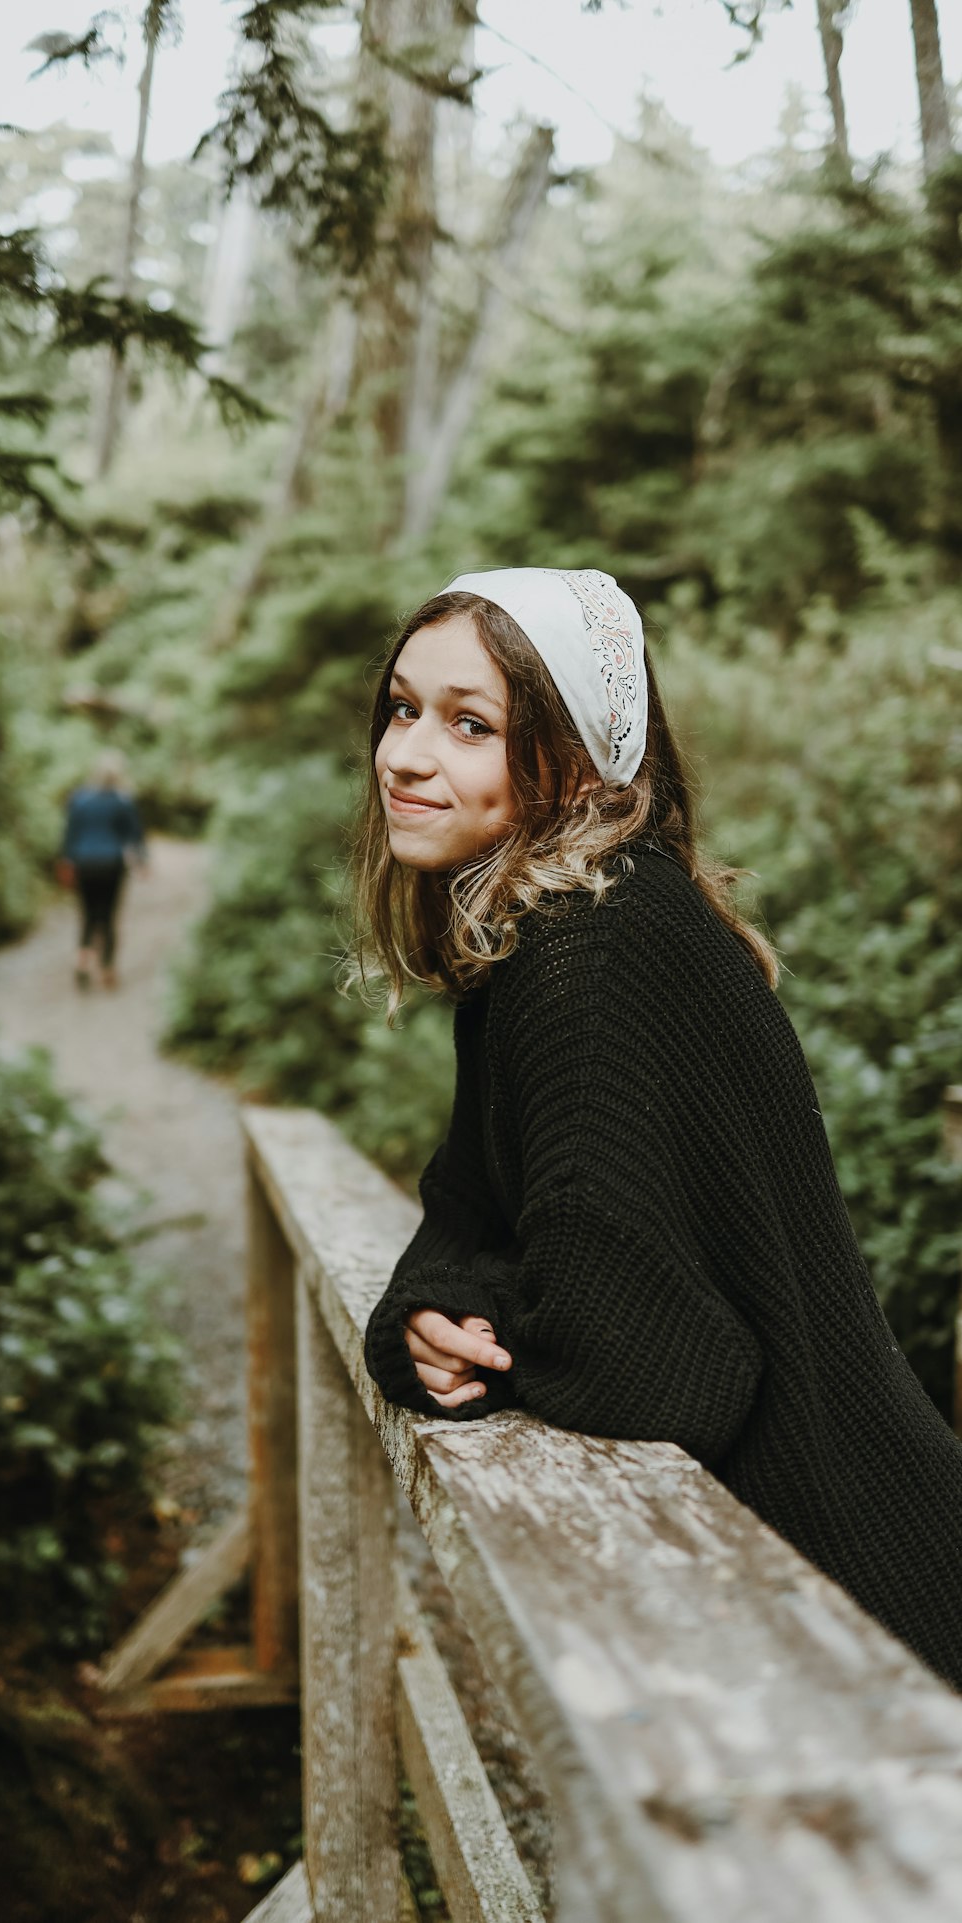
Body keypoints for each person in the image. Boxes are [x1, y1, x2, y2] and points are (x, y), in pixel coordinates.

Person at [358, 566, 962, 1695]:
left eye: (469, 724)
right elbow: (467, 1214)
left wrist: (470, 1320)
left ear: (581, 762)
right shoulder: (551, 924)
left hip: (871, 1605)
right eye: (403, 708)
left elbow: (651, 1362)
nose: (406, 754)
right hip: (816, 1583)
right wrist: (421, 1322)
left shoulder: (593, 957)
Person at [60, 751, 146, 989]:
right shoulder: (123, 801)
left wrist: (66, 862)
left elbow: (69, 834)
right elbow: (134, 835)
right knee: (108, 916)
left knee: (87, 915)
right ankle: (107, 969)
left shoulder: (79, 799)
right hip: (111, 865)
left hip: (84, 863)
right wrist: (141, 863)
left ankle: (83, 963)